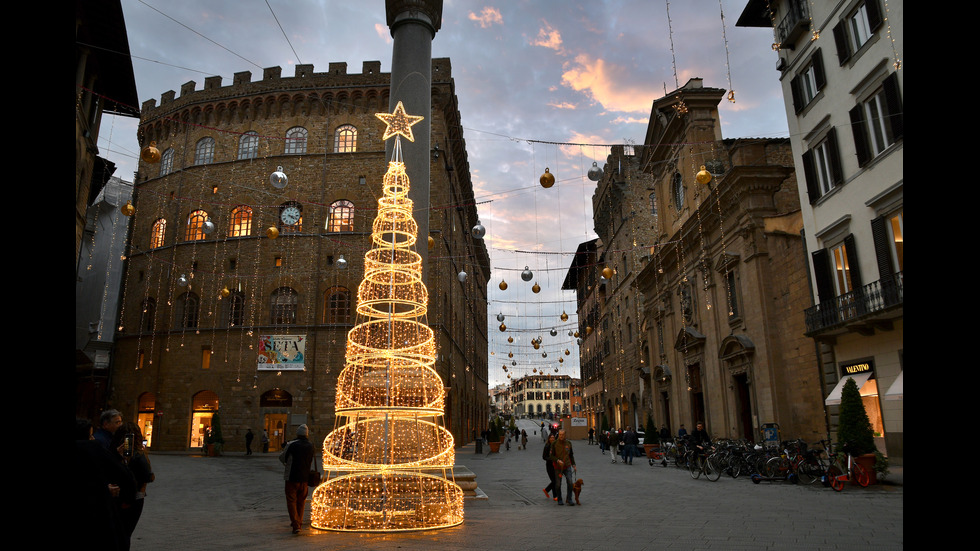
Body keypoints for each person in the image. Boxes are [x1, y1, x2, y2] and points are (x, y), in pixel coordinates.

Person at [118, 422, 154, 537]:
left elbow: (147, 477)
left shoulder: (138, 455)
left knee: (124, 532)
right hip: (130, 497)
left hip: (132, 497)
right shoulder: (137, 454)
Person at [280, 424, 315, 534]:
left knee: (291, 500)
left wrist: (287, 463)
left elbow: (282, 457)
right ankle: (298, 522)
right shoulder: (311, 446)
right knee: (301, 502)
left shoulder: (291, 444)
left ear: (297, 433)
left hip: (292, 477)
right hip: (305, 478)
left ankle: (296, 524)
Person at [549, 429, 576, 505]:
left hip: (567, 465)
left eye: (563, 435)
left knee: (570, 482)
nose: (561, 436)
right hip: (558, 467)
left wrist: (573, 464)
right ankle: (559, 499)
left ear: (565, 435)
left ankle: (569, 499)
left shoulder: (568, 443)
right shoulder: (554, 444)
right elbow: (551, 455)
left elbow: (571, 455)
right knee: (558, 484)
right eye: (560, 435)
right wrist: (557, 460)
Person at [542, 434, 557, 501]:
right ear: (549, 438)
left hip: (555, 465)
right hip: (549, 466)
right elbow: (544, 457)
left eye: (553, 437)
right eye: (551, 438)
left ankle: (554, 496)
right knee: (554, 481)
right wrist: (551, 459)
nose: (552, 439)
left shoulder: (555, 445)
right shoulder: (547, 446)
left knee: (554, 481)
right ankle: (547, 490)